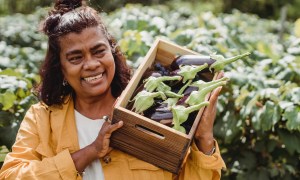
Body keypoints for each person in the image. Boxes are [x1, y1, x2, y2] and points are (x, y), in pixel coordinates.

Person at [0, 0, 226, 179]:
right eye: (76, 57)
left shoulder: (151, 109)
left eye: (99, 51)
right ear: (60, 69)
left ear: (112, 53)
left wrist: (204, 139)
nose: (91, 64)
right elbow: (11, 176)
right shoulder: (41, 119)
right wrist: (89, 152)